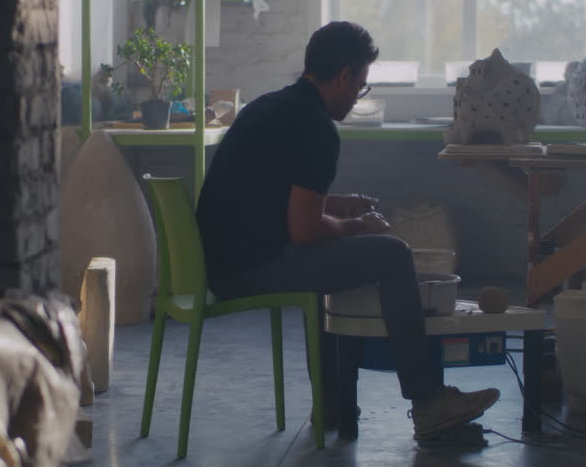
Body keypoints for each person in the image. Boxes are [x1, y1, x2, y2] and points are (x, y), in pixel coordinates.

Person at [195, 21, 499, 438]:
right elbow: (303, 229)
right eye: (361, 85)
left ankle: (333, 404)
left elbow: (275, 199)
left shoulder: (270, 107)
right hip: (248, 270)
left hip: (222, 261)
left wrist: (337, 206)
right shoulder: (318, 128)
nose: (359, 96)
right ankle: (428, 402)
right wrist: (357, 225)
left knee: (327, 267)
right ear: (343, 76)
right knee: (391, 255)